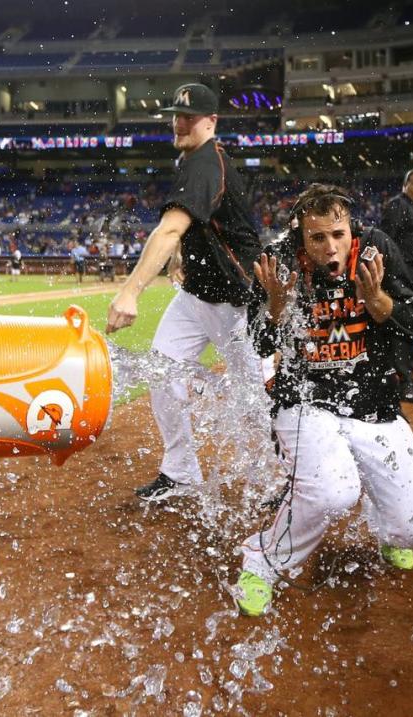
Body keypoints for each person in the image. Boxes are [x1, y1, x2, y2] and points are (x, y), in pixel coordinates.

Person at [233, 184, 413, 616]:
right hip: (305, 401)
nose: (330, 247)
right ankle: (261, 563)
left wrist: (378, 302)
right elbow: (259, 344)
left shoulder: (377, 251)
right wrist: (275, 309)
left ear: (351, 227)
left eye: (338, 234)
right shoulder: (276, 260)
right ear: (301, 234)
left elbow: (412, 322)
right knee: (334, 492)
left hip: (374, 403)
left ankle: (390, 528)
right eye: (318, 238)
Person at [105, 82, 264, 502]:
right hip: (195, 297)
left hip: (237, 303)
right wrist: (180, 252)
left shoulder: (206, 164)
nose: (179, 122)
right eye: (176, 115)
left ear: (211, 122)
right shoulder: (193, 159)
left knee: (257, 398)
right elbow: (191, 226)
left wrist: (130, 292)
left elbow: (171, 225)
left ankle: (284, 476)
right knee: (162, 374)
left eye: (189, 117)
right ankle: (180, 472)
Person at [380, 169, 413, 404]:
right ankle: (401, 383)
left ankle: (408, 378)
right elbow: (386, 242)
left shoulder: (410, 208)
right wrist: (395, 278)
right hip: (404, 277)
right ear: (405, 185)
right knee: (405, 328)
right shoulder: (397, 206)